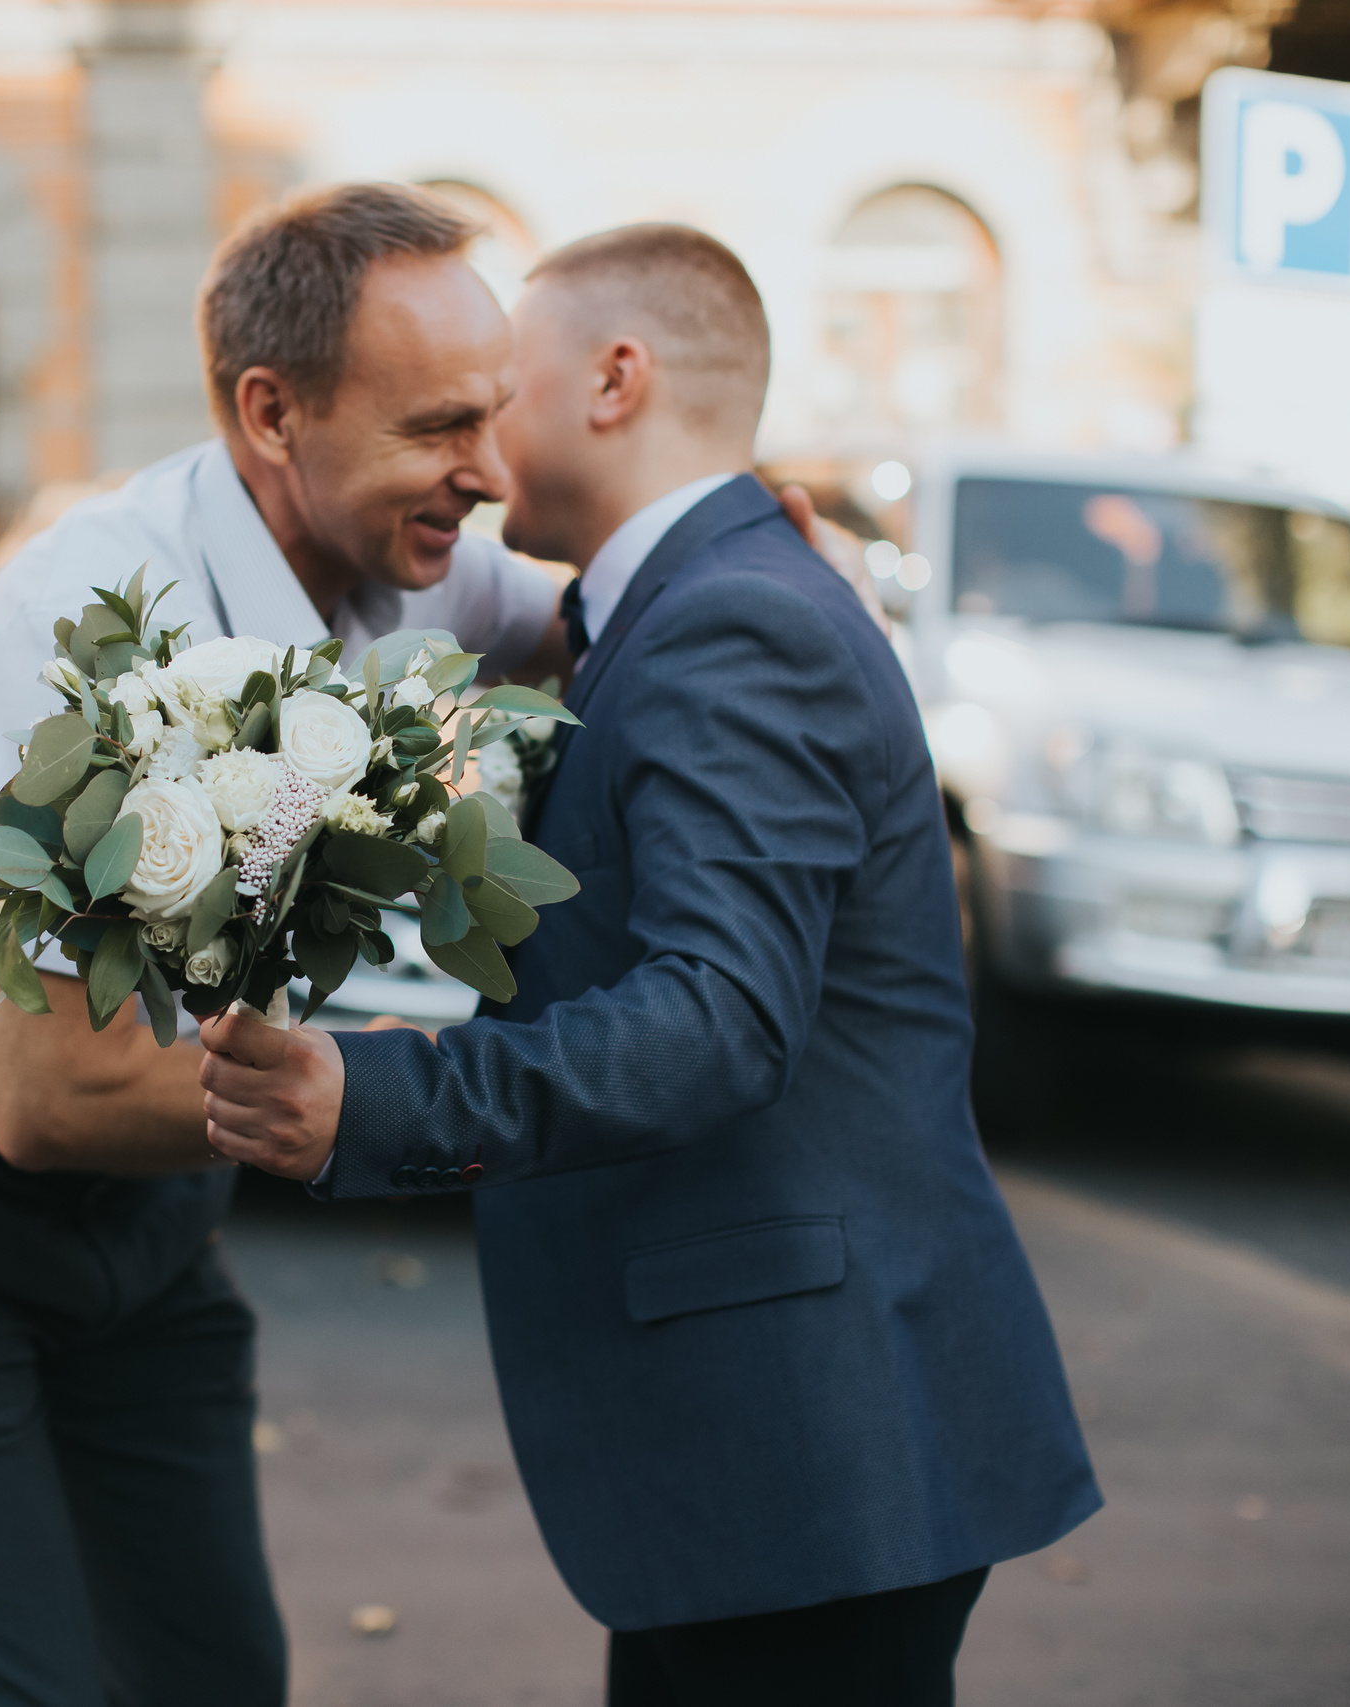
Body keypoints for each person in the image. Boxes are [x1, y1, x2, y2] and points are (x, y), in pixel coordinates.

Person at [194, 223, 1101, 1706]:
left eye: (502, 393)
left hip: (813, 1432)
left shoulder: (735, 618)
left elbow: (719, 1019)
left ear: (617, 380)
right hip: (771, 1443)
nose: (480, 449)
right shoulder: (689, 602)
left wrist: (380, 1103)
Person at [0, 182, 568, 1707]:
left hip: (151, 1205)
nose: (496, 472)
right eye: (445, 426)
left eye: (501, 413)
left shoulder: (400, 543)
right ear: (274, 413)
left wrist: (740, 554)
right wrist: (400, 1096)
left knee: (215, 1677)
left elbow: (581, 620)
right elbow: (40, 1098)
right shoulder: (90, 636)